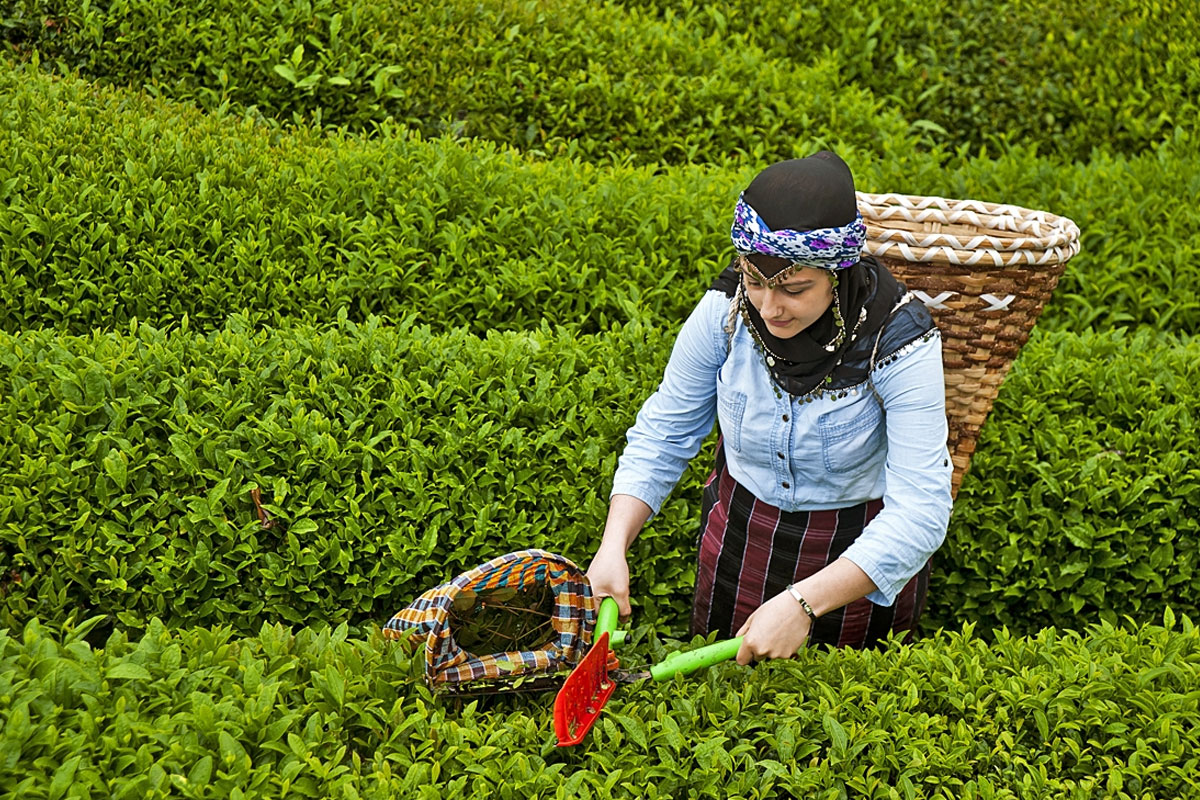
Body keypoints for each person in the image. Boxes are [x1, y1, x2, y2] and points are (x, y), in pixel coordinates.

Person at [585, 151, 953, 665]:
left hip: (855, 558)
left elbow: (922, 511)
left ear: (838, 274)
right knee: (722, 693)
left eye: (794, 289)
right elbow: (664, 433)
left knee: (838, 698)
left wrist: (804, 603)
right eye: (755, 282)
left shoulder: (899, 340)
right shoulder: (726, 312)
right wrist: (613, 545)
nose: (769, 308)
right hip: (741, 541)